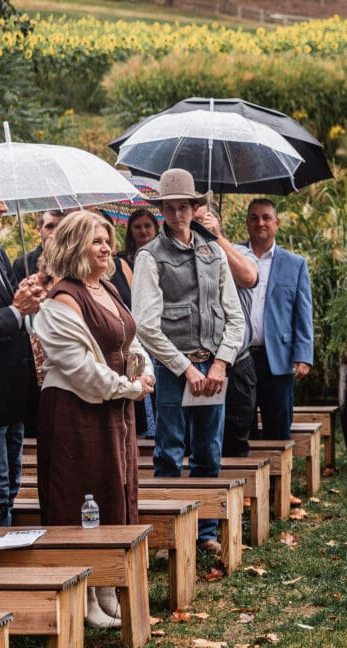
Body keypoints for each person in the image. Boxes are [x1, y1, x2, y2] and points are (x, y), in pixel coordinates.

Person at [32, 210, 155, 629]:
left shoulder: (105, 288)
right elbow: (80, 368)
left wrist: (146, 370)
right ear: (74, 246)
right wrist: (130, 388)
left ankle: (106, 590)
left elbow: (131, 337)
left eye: (107, 240)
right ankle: (81, 595)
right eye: (96, 241)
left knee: (112, 492)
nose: (107, 247)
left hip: (114, 410)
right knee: (78, 496)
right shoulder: (62, 299)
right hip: (75, 413)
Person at [131, 169, 245, 555]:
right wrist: (187, 369)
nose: (178, 214)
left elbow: (235, 316)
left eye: (185, 206)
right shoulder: (150, 256)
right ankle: (166, 533)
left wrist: (220, 364)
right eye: (170, 207)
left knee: (210, 451)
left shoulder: (213, 252)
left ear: (196, 208)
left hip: (213, 370)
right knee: (169, 450)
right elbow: (146, 326)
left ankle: (206, 531)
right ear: (161, 209)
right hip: (173, 371)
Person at [242, 198, 313, 443]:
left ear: (276, 223)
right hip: (240, 357)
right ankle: (247, 480)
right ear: (247, 223)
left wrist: (303, 355)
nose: (260, 223)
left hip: (278, 358)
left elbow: (303, 313)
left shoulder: (295, 264)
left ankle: (275, 482)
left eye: (266, 218)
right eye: (254, 218)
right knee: (240, 425)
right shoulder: (234, 257)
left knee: (278, 425)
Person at [197, 203, 259, 459]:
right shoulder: (185, 255)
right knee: (204, 436)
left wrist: (217, 238)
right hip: (201, 360)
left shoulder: (242, 252)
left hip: (237, 360)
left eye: (204, 219)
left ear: (218, 221)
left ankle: (241, 496)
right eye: (195, 219)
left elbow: (248, 277)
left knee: (237, 431)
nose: (198, 224)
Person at [0, 200, 42, 527]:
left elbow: (17, 311)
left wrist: (27, 297)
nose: (2, 206)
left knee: (11, 485)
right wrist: (14, 310)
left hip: (13, 394)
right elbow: (10, 312)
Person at [13, 210, 64, 281]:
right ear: (39, 230)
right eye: (49, 227)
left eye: (60, 227)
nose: (55, 231)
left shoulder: (76, 259)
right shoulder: (23, 264)